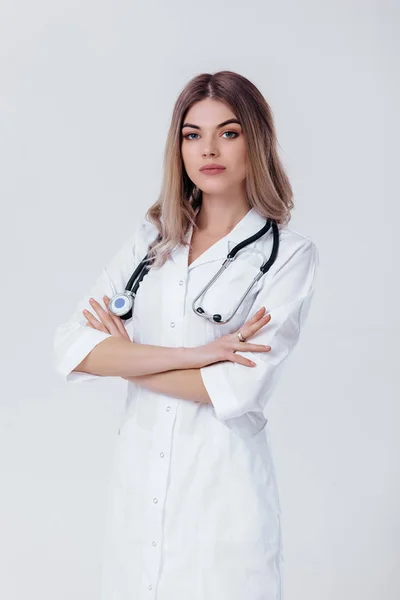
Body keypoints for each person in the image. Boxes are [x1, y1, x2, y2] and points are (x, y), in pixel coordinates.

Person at [53, 70, 319, 600]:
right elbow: (71, 348)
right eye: (192, 134)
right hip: (138, 496)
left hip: (224, 500)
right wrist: (196, 356)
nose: (208, 149)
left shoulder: (287, 257)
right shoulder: (152, 242)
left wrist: (125, 357)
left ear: (256, 141)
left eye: (229, 131)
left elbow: (234, 389)